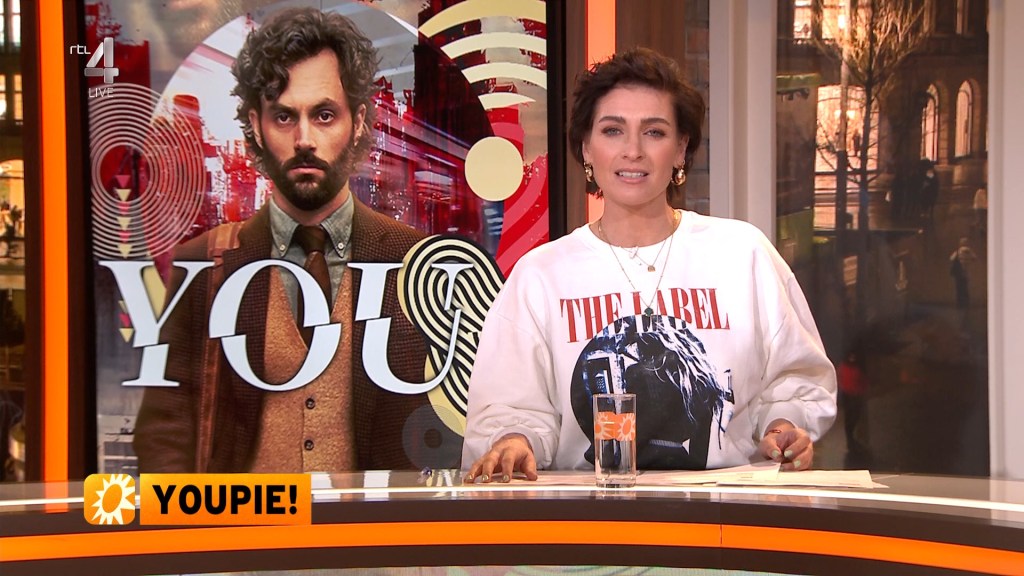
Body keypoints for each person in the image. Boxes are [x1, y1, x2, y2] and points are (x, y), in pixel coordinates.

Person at [461, 48, 836, 483]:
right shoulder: (541, 275)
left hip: (724, 510)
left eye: (654, 132)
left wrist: (784, 426)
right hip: (589, 513)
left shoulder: (742, 253)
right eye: (613, 130)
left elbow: (797, 377)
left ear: (681, 149)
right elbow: (510, 406)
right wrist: (514, 441)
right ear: (586, 148)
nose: (633, 151)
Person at [133, 7, 428, 473]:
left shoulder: (413, 261)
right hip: (241, 520)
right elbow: (164, 431)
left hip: (370, 520)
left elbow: (439, 426)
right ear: (255, 124)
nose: (304, 139)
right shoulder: (207, 263)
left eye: (325, 115)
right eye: (285, 117)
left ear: (358, 121)